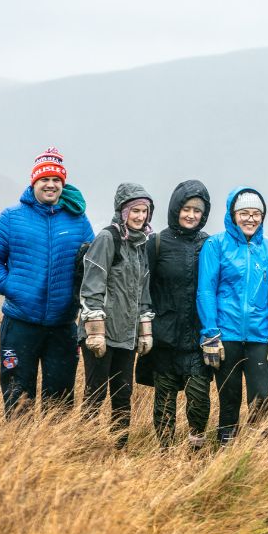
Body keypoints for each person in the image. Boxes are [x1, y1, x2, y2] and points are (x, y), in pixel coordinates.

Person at [0, 147, 93, 418]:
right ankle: (18, 452)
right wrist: (12, 288)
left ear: (62, 184)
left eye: (56, 180)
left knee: (60, 399)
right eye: (45, 179)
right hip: (20, 322)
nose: (51, 185)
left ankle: (53, 454)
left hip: (63, 325)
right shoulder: (11, 217)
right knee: (18, 393)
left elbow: (92, 266)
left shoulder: (78, 220)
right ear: (34, 182)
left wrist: (78, 300)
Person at [196, 187, 268, 445]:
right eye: (244, 213)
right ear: (233, 214)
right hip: (225, 336)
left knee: (261, 398)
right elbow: (206, 291)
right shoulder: (215, 245)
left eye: (256, 214)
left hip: (261, 339)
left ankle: (252, 449)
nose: (250, 219)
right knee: (229, 398)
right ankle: (225, 446)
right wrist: (210, 334)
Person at [78, 183, 155, 448]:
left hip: (127, 334)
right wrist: (95, 332)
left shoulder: (141, 245)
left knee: (123, 394)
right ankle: (84, 446)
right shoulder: (107, 238)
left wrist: (145, 331)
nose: (140, 216)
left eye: (144, 211)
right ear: (123, 212)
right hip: (101, 333)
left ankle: (119, 447)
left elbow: (143, 291)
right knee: (96, 392)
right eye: (135, 210)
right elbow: (91, 286)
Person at [137, 180, 213, 449]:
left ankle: (196, 447)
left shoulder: (210, 244)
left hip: (197, 337)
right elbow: (143, 287)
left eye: (198, 210)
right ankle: (165, 450)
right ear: (175, 208)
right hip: (165, 337)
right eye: (186, 208)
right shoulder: (157, 243)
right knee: (165, 399)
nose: (192, 215)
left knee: (199, 396)